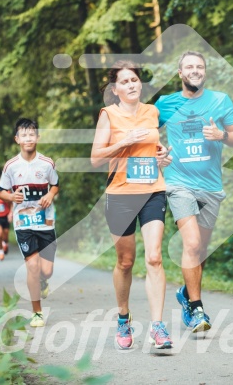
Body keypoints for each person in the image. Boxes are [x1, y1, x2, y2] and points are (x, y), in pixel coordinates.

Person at [155, 51, 233, 333]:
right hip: (178, 184)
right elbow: (147, 133)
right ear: (180, 73)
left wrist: (223, 137)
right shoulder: (165, 103)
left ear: (205, 72)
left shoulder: (220, 100)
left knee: (201, 250)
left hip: (211, 187)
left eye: (199, 67)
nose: (195, 70)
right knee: (191, 244)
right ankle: (197, 310)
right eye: (189, 67)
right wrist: (157, 153)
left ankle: (185, 293)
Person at [91, 60, 173, 350]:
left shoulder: (152, 112)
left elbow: (153, 149)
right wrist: (124, 140)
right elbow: (96, 158)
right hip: (121, 193)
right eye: (125, 82)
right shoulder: (108, 115)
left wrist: (162, 156)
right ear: (115, 89)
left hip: (153, 190)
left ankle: (158, 326)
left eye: (135, 80)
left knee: (154, 257)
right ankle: (123, 318)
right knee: (125, 262)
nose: (132, 85)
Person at [0, 118, 59, 328]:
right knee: (32, 266)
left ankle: (43, 281)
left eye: (32, 134)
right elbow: (1, 192)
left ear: (38, 137)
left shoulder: (47, 163)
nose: (28, 138)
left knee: (47, 271)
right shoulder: (11, 167)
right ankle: (37, 313)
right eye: (23, 135)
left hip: (45, 223)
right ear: (17, 139)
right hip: (23, 223)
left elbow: (55, 185)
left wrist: (50, 195)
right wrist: (11, 197)